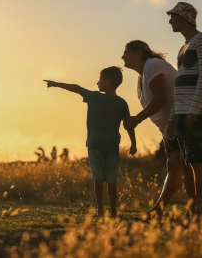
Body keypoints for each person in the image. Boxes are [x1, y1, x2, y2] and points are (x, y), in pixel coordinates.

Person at [44, 66, 137, 218]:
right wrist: (133, 143)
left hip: (95, 144)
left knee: (98, 178)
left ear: (107, 82)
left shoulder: (95, 97)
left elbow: (76, 88)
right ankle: (113, 212)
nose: (97, 82)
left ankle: (100, 211)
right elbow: (128, 124)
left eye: (100, 79)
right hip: (112, 145)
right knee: (112, 180)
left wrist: (56, 84)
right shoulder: (121, 103)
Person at [122, 40, 195, 219]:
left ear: (139, 53)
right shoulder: (142, 76)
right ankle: (182, 210)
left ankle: (190, 210)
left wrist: (137, 119)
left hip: (183, 118)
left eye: (127, 52)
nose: (123, 56)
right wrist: (165, 133)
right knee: (175, 165)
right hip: (171, 126)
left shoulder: (152, 65)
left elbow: (162, 98)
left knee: (186, 165)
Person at [165, 2, 202, 218]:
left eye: (173, 16)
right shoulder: (183, 47)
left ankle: (201, 213)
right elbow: (180, 86)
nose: (170, 20)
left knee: (198, 162)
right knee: (187, 164)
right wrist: (172, 118)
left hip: (196, 113)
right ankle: (192, 210)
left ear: (185, 18)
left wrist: (195, 109)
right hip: (181, 113)